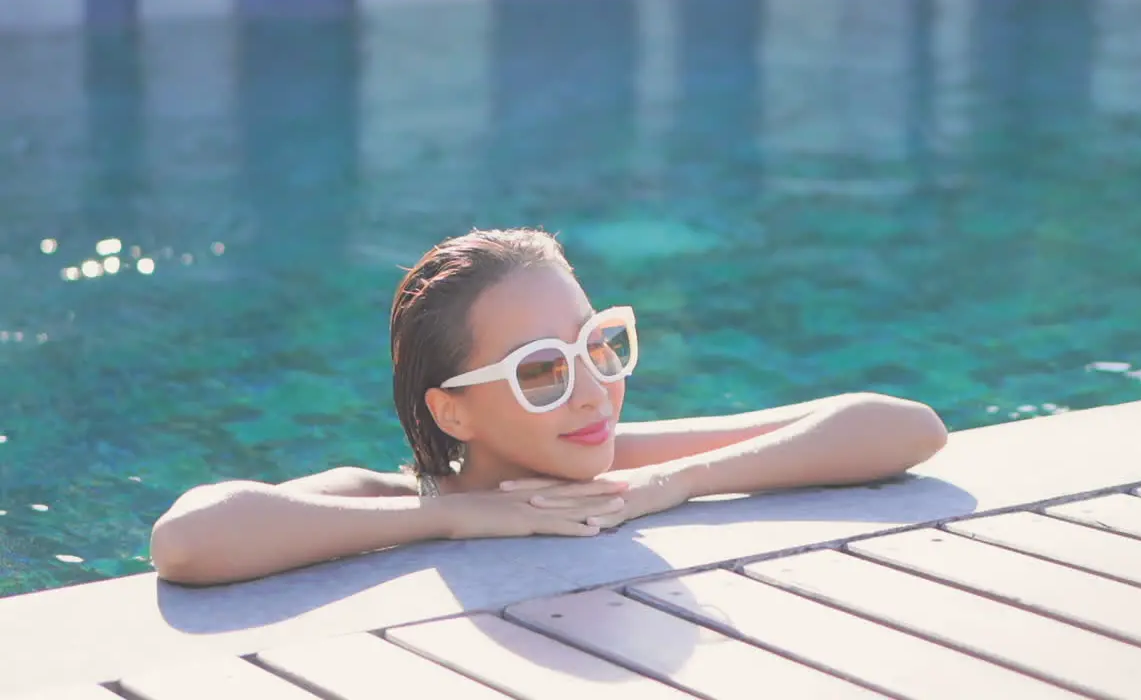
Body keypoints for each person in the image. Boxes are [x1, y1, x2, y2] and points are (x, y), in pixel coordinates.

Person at [150, 228, 948, 585]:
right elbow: (187, 540)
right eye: (541, 371)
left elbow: (907, 426)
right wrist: (456, 518)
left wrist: (680, 482)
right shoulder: (390, 497)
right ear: (453, 412)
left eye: (599, 344)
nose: (595, 388)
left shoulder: (616, 458)